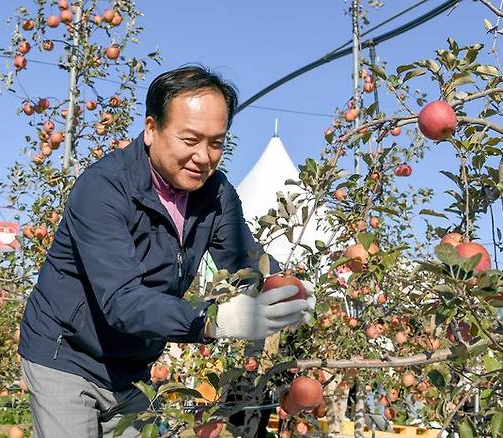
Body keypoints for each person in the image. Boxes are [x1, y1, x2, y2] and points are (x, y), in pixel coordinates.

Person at [18, 65, 313, 438]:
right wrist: (213, 320)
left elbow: (245, 262)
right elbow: (123, 301)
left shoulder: (215, 196)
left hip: (134, 363)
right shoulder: (104, 188)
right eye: (190, 140)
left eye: (216, 142)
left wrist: (282, 286)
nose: (203, 156)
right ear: (151, 129)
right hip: (67, 353)